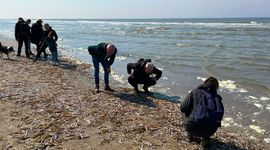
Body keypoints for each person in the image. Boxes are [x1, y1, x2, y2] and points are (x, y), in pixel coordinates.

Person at [180, 77, 224, 148]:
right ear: (216, 87)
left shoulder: (195, 92)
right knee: (209, 116)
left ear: (204, 83)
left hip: (192, 127)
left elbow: (183, 108)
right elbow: (219, 117)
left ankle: (190, 135)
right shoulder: (218, 98)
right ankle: (206, 138)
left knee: (184, 110)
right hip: (211, 131)